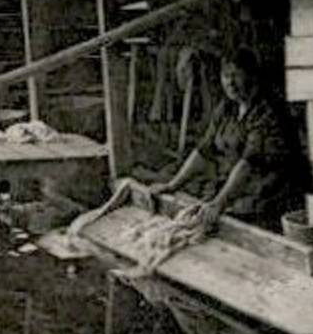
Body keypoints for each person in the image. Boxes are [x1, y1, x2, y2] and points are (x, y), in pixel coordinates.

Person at [122, 46, 302, 232]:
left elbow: (248, 163)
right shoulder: (227, 107)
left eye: (236, 75)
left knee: (222, 218)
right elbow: (204, 149)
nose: (230, 83)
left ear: (252, 76)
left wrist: (219, 203)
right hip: (238, 183)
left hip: (269, 188)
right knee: (192, 200)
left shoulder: (268, 112)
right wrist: (172, 185)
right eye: (226, 76)